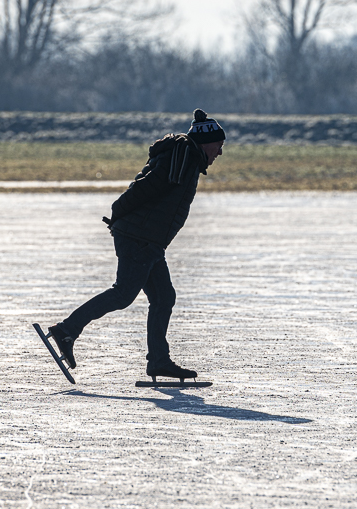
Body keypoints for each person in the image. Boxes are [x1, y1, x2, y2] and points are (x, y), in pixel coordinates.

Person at [47, 109, 225, 380]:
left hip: (149, 240)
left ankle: (158, 361)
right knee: (123, 294)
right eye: (219, 146)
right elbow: (148, 185)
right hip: (140, 237)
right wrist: (119, 211)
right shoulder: (185, 153)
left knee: (164, 297)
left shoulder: (187, 155)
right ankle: (66, 330)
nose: (220, 153)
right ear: (207, 142)